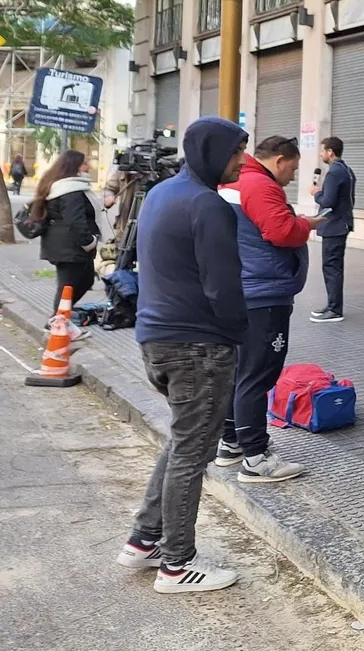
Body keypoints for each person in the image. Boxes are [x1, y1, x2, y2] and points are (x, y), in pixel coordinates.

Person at [116, 117, 249, 594]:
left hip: (158, 340)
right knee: (192, 452)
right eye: (236, 151)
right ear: (213, 152)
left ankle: (144, 540)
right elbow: (223, 286)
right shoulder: (208, 204)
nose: (241, 160)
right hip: (198, 346)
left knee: (181, 443)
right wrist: (241, 333)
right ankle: (176, 565)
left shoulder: (161, 194)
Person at [216, 136, 326, 482]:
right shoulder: (259, 185)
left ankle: (232, 441)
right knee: (258, 373)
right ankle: (256, 457)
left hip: (245, 289)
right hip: (264, 293)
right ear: (279, 160)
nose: (293, 177)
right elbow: (280, 232)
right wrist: (307, 224)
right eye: (292, 168)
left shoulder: (237, 181)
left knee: (241, 370)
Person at [32, 150, 100, 319]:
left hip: (65, 245)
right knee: (67, 286)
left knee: (85, 280)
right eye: (85, 163)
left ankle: (61, 318)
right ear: (75, 166)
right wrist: (89, 242)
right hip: (70, 247)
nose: (89, 166)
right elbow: (75, 221)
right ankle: (57, 322)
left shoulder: (64, 185)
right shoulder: (70, 189)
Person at [310, 136, 356, 323]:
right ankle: (331, 305)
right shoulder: (346, 170)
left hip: (335, 226)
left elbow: (328, 201)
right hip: (341, 224)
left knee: (331, 267)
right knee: (333, 267)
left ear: (330, 152)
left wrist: (317, 193)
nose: (321, 154)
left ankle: (335, 309)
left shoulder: (334, 173)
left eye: (322, 151)